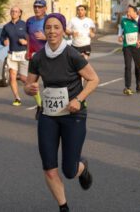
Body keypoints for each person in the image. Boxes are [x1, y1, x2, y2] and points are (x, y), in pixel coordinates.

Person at [24, 13, 99, 212]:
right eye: (48, 27)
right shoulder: (38, 57)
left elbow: (93, 80)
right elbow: (30, 84)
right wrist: (29, 89)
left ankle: (82, 168)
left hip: (73, 115)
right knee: (49, 168)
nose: (52, 31)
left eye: (56, 27)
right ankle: (63, 206)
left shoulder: (72, 54)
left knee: (69, 170)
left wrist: (78, 99)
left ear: (62, 30)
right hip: (48, 115)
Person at [0, 7, 28, 106]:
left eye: (16, 11)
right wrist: (4, 41)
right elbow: (2, 37)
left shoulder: (24, 25)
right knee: (12, 77)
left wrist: (26, 42)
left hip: (23, 53)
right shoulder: (7, 26)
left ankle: (36, 96)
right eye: (12, 11)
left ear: (20, 13)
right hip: (12, 54)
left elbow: (31, 38)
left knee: (24, 78)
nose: (14, 13)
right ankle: (17, 97)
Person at [26, 0, 48, 118]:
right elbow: (28, 37)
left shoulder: (49, 20)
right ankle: (40, 105)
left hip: (47, 56)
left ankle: (48, 104)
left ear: (45, 8)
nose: (37, 9)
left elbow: (60, 36)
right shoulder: (29, 21)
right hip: (34, 56)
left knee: (48, 82)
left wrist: (45, 37)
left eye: (40, 7)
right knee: (32, 83)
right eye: (35, 6)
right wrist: (27, 51)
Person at [118, 5, 140, 95]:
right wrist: (120, 36)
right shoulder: (124, 20)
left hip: (137, 46)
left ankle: (138, 83)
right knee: (128, 66)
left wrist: (134, 18)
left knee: (138, 67)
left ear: (135, 12)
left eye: (130, 11)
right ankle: (127, 87)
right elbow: (121, 29)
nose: (128, 13)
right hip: (127, 46)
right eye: (127, 11)